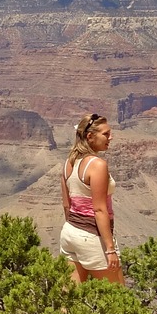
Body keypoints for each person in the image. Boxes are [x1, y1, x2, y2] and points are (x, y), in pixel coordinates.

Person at [59, 113, 124, 284]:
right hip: (92, 236)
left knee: (69, 299)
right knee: (118, 300)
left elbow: (67, 205)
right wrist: (110, 249)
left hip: (70, 233)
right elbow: (99, 209)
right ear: (90, 136)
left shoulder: (68, 163)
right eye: (106, 134)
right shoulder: (97, 165)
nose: (111, 137)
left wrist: (77, 232)